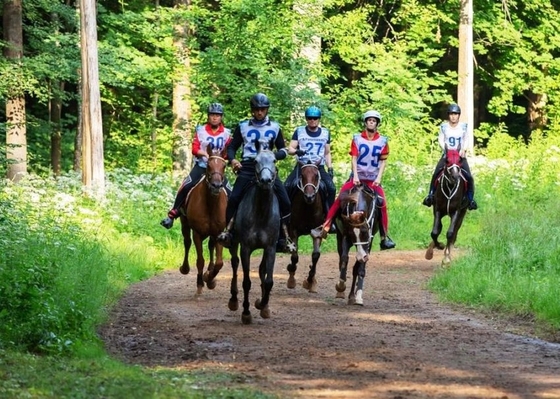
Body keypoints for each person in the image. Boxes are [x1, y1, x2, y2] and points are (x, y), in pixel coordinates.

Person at [217, 93, 294, 251]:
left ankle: (283, 237)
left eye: (263, 109)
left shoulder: (275, 127)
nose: (259, 112)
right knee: (234, 199)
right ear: (252, 110)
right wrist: (233, 160)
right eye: (257, 110)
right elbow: (232, 147)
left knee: (285, 201)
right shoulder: (243, 126)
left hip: (268, 169)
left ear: (267, 110)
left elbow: (283, 150)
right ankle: (229, 233)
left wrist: (274, 155)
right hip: (248, 167)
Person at [311, 110, 396, 250]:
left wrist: (379, 178)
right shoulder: (357, 138)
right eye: (369, 120)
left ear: (377, 124)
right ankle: (325, 227)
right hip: (357, 178)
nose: (371, 123)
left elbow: (383, 162)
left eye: (374, 121)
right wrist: (355, 175)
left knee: (382, 203)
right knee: (340, 198)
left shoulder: (383, 141)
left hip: (372, 180)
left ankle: (384, 236)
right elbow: (354, 158)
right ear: (365, 122)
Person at [160, 103, 232, 229]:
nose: (214, 118)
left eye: (217, 115)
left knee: (230, 190)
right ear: (208, 117)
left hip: (217, 169)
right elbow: (194, 148)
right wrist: (203, 153)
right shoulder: (201, 130)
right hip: (202, 165)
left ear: (221, 117)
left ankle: (232, 221)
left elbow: (228, 151)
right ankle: (173, 214)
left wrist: (221, 160)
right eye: (212, 115)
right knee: (186, 184)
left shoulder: (226, 133)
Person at [422, 103, 478, 210]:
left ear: (459, 115)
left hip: (460, 157)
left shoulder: (463, 127)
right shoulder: (444, 127)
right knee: (436, 174)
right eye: (452, 114)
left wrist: (463, 149)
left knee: (469, 177)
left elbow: (466, 139)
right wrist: (446, 150)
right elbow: (440, 139)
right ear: (448, 115)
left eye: (456, 114)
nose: (453, 116)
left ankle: (470, 200)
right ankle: (430, 195)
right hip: (447, 156)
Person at [284, 106, 336, 216]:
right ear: (306, 119)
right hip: (302, 166)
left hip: (318, 167)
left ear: (319, 119)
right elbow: (290, 149)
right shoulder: (299, 131)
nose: (312, 120)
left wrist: (330, 167)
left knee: (331, 188)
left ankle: (329, 218)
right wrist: (297, 151)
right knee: (287, 186)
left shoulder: (325, 133)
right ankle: (286, 215)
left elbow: (327, 152)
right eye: (310, 118)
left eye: (315, 118)